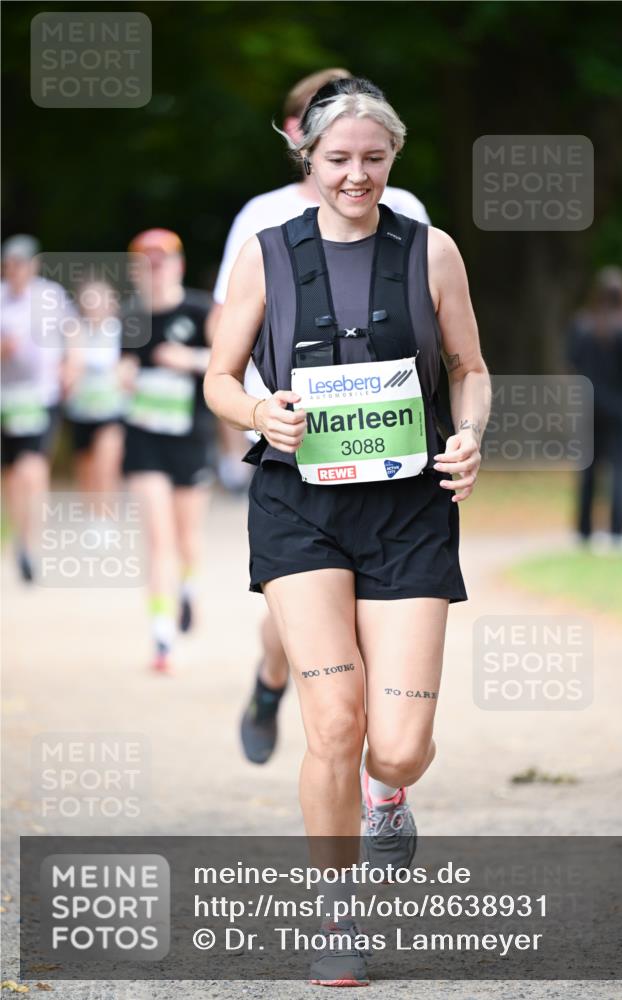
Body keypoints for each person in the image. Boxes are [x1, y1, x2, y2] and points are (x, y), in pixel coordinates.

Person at [205, 77, 490, 986]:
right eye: (338, 160)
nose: (355, 176)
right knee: (332, 719)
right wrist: (257, 411)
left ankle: (389, 793)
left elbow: (469, 367)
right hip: (299, 507)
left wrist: (471, 434)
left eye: (373, 159)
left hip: (408, 509)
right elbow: (217, 375)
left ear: (392, 159)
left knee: (395, 740)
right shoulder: (265, 253)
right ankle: (337, 915)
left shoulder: (431, 250)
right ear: (307, 160)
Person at [207, 67, 433, 766]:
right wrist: (249, 424)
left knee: (379, 658)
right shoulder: (262, 221)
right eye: (330, 140)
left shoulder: (412, 218)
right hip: (294, 461)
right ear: (298, 138)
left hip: (392, 474)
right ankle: (273, 681)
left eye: (369, 149)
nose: (353, 164)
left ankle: (383, 763)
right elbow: (227, 345)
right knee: (297, 627)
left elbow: (426, 331)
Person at [121, 229, 216, 673]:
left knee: (185, 539)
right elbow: (123, 363)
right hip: (144, 437)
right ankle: (162, 640)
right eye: (146, 265)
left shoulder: (201, 310)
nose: (155, 272)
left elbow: (229, 364)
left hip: (191, 436)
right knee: (158, 540)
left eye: (162, 263)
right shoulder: (130, 317)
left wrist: (190, 360)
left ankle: (188, 590)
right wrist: (122, 375)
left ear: (177, 265)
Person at [1, 234, 77, 581]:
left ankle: (33, 542)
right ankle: (20, 538)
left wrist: (70, 366)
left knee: (32, 467)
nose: (16, 270)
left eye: (22, 263)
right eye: (10, 264)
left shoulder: (49, 295)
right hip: (7, 399)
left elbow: (73, 331)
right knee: (11, 475)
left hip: (40, 396)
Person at [567, 266, 622, 556]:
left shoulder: (582, 324)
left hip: (588, 405)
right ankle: (617, 534)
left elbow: (573, 363)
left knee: (589, 470)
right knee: (621, 469)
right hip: (620, 407)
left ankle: (584, 532)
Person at [64, 278, 125, 495]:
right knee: (86, 471)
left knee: (106, 466)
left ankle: (106, 521)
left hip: (112, 410)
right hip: (81, 410)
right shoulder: (75, 330)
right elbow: (70, 367)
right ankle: (92, 517)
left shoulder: (121, 330)